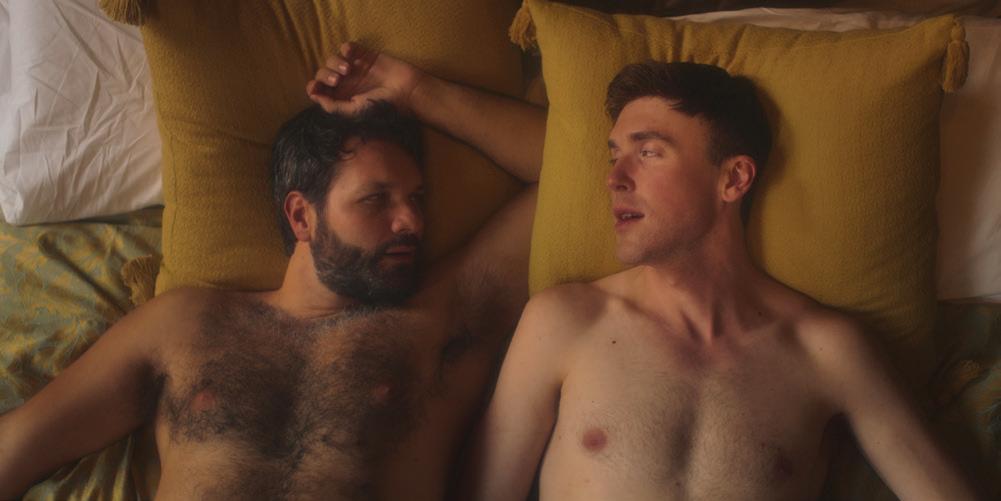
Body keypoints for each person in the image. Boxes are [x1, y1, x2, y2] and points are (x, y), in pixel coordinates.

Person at [0, 43, 546, 500]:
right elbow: (17, 447)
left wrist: (418, 92)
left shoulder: (439, 323)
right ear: (301, 216)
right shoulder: (187, 324)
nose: (412, 222)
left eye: (417, 199)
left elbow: (573, 174)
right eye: (376, 199)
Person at [457, 62, 983, 500]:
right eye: (614, 155)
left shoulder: (826, 349)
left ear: (733, 178)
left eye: (648, 152)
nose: (614, 178)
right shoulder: (563, 321)